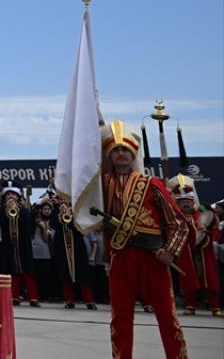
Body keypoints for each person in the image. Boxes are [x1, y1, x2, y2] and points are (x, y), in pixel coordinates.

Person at [100, 120, 190, 359]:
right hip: (121, 258)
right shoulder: (100, 186)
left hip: (153, 258)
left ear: (133, 154)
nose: (120, 154)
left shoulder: (152, 184)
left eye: (125, 150)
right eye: (115, 150)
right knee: (120, 318)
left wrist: (170, 250)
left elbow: (179, 223)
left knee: (167, 316)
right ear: (109, 155)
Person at [169, 174, 221, 316]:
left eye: (189, 201)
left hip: (204, 252)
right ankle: (190, 304)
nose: (186, 203)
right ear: (177, 203)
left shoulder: (202, 213)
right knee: (188, 279)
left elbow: (215, 228)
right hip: (186, 252)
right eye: (183, 201)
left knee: (210, 278)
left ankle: (215, 306)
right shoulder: (174, 218)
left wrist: (207, 231)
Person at [0, 186, 38, 305]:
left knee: (28, 270)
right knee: (12, 270)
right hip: (8, 245)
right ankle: (14, 297)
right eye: (8, 195)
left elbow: (28, 221)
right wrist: (6, 209)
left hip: (23, 244)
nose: (11, 197)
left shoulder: (23, 209)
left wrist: (18, 212)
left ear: (18, 197)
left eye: (13, 194)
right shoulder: (2, 210)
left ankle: (33, 297)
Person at [51, 199, 96, 309]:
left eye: (65, 201)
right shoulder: (56, 214)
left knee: (84, 275)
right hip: (63, 249)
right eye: (61, 201)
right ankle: (69, 300)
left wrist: (71, 215)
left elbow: (80, 229)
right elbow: (53, 225)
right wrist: (60, 215)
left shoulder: (76, 214)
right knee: (65, 275)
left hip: (78, 249)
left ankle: (89, 300)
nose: (63, 203)